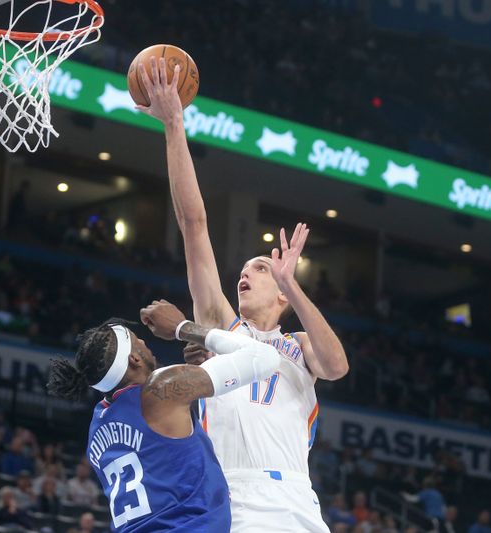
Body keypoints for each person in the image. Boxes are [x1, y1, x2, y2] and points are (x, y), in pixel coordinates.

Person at [138, 58, 349, 532]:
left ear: (282, 294)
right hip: (235, 493)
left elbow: (337, 367)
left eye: (260, 268)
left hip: (297, 497)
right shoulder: (221, 327)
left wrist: (295, 287)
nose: (245, 275)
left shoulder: (300, 344)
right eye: (244, 270)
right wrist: (175, 125)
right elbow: (194, 225)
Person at [48, 309, 280, 531]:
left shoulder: (97, 426)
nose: (146, 344)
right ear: (134, 359)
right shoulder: (162, 388)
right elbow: (265, 357)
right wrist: (183, 328)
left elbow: (167, 453)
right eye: (139, 341)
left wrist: (194, 375)